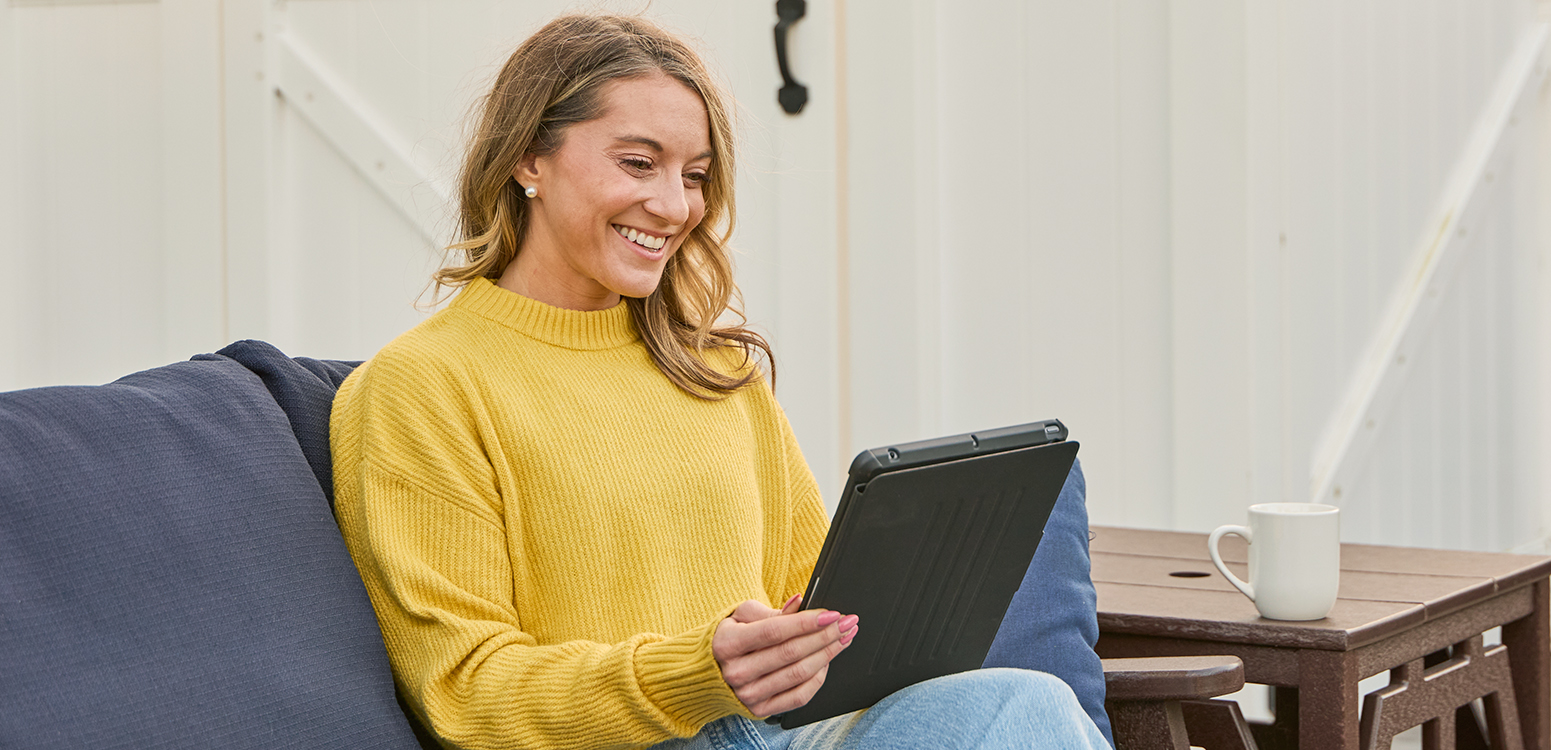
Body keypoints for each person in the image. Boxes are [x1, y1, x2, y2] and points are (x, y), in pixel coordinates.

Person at [329, 14, 1108, 750]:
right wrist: (698, 674)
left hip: (786, 732)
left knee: (1020, 702)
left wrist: (823, 639)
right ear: (529, 158)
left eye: (695, 175)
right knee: (1022, 707)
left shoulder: (716, 373)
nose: (674, 206)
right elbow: (463, 692)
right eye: (638, 163)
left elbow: (815, 602)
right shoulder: (420, 388)